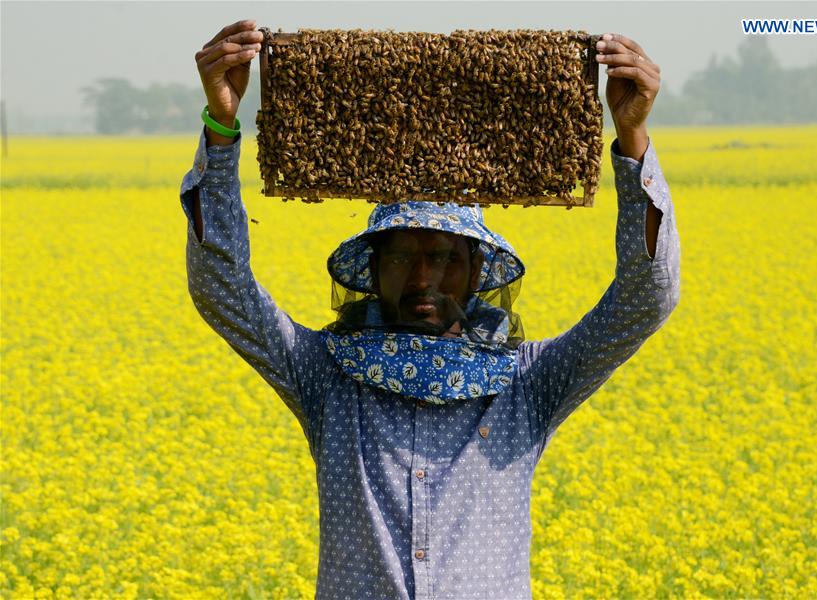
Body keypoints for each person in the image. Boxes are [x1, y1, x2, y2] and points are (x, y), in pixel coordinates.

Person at [183, 19, 680, 599]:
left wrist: (633, 139)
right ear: (369, 272)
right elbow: (222, 288)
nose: (422, 277)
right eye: (400, 258)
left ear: (476, 272)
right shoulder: (327, 375)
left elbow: (646, 298)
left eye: (443, 257)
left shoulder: (527, 382)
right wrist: (221, 127)